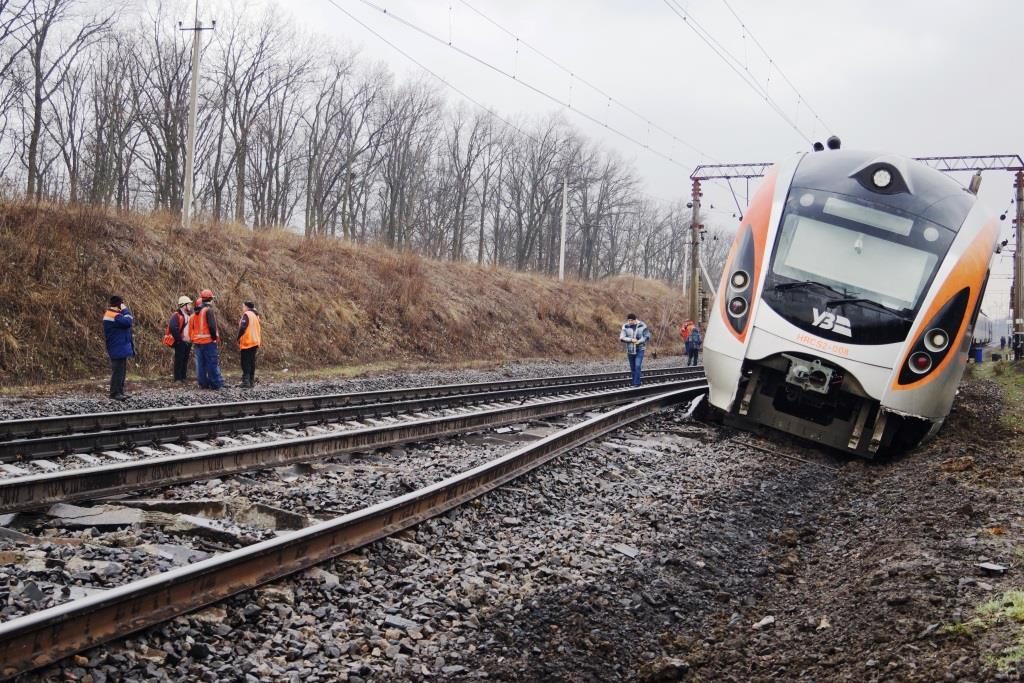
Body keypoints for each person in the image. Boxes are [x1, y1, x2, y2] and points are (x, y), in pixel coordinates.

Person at [189, 288, 225, 390]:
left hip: (198, 343)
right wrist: (214, 338)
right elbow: (212, 327)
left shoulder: (196, 311)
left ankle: (203, 383)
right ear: (210, 299)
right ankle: (216, 383)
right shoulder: (208, 310)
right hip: (208, 342)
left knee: (201, 364)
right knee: (212, 362)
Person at [102, 295, 134, 401]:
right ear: (119, 304)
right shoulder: (113, 315)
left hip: (119, 347)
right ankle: (114, 393)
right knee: (117, 371)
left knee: (121, 371)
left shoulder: (115, 315)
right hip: (117, 347)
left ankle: (120, 391)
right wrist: (125, 310)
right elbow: (128, 321)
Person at [619, 313, 651, 387]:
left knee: (637, 366)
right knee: (632, 367)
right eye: (628, 320)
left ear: (635, 320)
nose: (629, 322)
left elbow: (647, 336)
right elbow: (622, 337)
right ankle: (634, 382)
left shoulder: (642, 325)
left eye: (631, 320)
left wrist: (640, 341)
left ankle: (637, 383)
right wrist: (631, 340)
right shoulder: (625, 326)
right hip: (630, 350)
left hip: (640, 349)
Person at [168, 295, 193, 382]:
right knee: (179, 360)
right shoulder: (176, 315)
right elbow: (173, 327)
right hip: (181, 341)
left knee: (185, 359)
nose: (190, 306)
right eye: (189, 304)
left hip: (188, 341)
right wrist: (180, 339)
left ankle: (183, 377)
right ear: (184, 305)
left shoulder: (189, 315)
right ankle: (178, 378)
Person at [237, 301, 262, 388]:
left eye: (243, 306)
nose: (242, 308)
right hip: (255, 342)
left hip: (247, 342)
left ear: (247, 307)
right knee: (251, 362)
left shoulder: (247, 314)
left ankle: (246, 381)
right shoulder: (255, 315)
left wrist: (238, 337)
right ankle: (251, 381)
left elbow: (243, 327)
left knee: (245, 362)